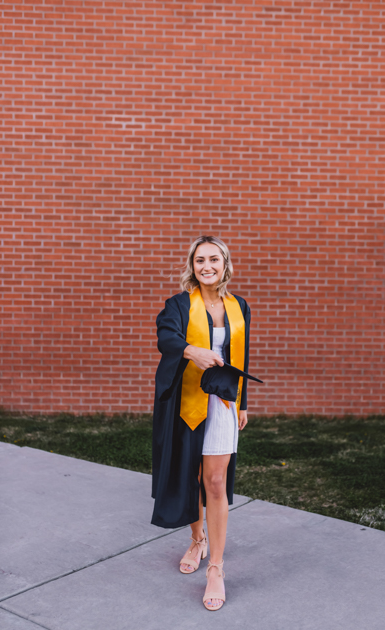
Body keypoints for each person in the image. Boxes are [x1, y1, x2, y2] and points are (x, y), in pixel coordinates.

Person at [151, 235, 251, 611]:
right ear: (192, 267)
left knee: (215, 480)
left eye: (213, 259)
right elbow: (167, 337)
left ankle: (216, 568)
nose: (206, 266)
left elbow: (243, 355)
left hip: (223, 401)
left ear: (225, 263)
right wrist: (191, 351)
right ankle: (197, 539)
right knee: (192, 475)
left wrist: (243, 402)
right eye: (199, 261)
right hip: (187, 401)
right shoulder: (178, 305)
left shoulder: (239, 306)